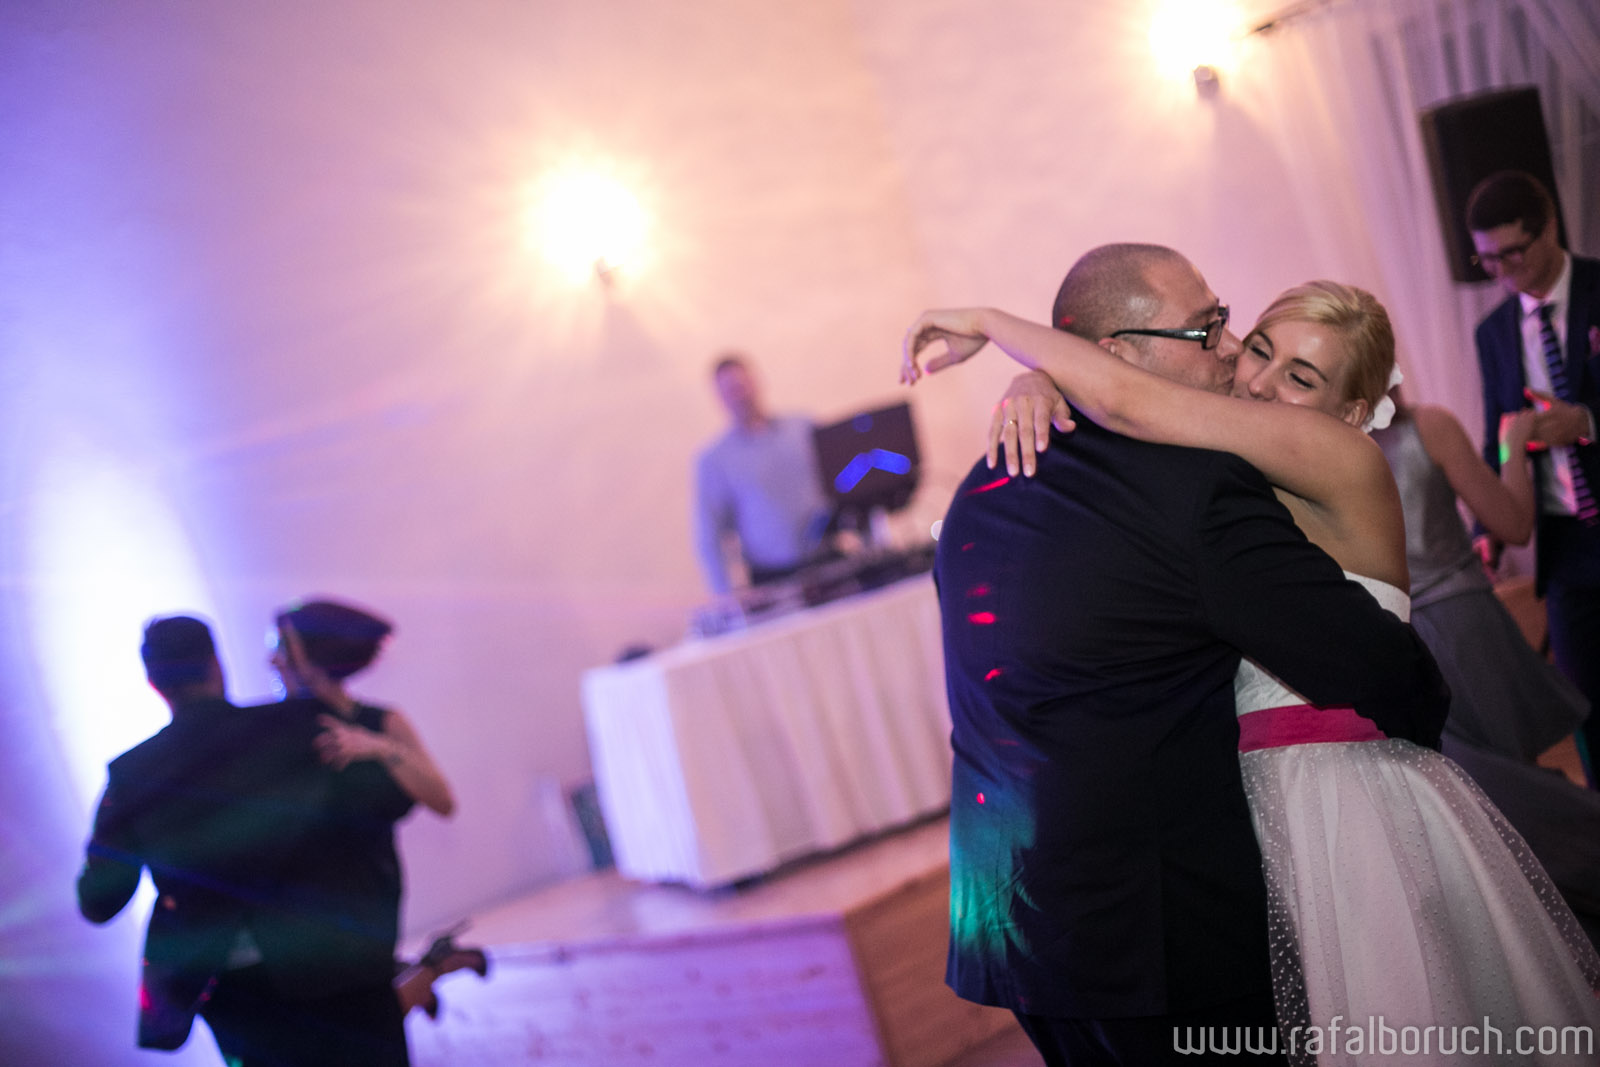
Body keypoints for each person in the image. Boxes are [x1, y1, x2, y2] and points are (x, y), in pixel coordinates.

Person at [905, 273, 1600, 1064]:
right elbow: (1128, 396)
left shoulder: (1335, 454)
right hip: (1251, 813)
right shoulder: (1221, 468)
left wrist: (1001, 330)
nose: (1259, 379)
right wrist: (1041, 381)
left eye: (1301, 376)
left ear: (1351, 412)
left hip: (1344, 799)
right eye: (1257, 348)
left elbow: (1129, 397)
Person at [1370, 399, 1600, 946]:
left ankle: (1550, 951)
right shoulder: (1429, 426)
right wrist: (1512, 447)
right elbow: (1514, 524)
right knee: (1525, 801)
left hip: (1395, 649)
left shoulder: (1309, 450)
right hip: (1464, 632)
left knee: (1481, 815)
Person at [77, 616, 330, 1062]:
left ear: (154, 683)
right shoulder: (290, 725)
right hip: (326, 947)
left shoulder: (131, 774)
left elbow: (100, 902)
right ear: (216, 663)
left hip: (222, 973)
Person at [256, 596, 458, 1066]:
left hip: (370, 890)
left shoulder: (382, 723)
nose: (271, 659)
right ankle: (432, 970)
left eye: (281, 647)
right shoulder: (271, 731)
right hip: (303, 902)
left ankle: (430, 970)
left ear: (316, 658)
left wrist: (381, 749)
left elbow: (444, 801)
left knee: (365, 1027)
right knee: (348, 1030)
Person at [1466, 170, 1600, 783]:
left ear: (1549, 229)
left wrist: (1587, 421)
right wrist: (1486, 526)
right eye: (1488, 259)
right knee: (1586, 704)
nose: (1502, 270)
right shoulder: (1492, 332)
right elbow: (1496, 433)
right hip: (1564, 543)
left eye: (1513, 252)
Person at [692, 352, 834, 593]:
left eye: (742, 385)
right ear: (720, 398)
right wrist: (726, 594)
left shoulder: (803, 428)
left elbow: (844, 482)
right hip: (773, 577)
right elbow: (709, 534)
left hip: (830, 558)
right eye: (731, 390)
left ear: (756, 381)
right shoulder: (715, 460)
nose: (740, 395)